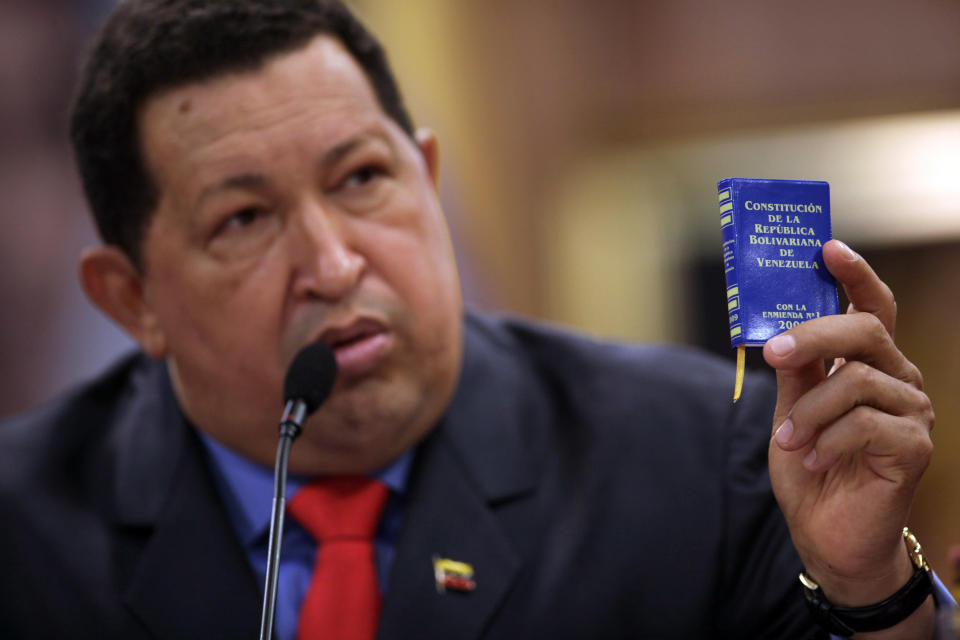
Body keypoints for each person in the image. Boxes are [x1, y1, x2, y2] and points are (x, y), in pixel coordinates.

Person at [0, 1, 949, 638]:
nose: (334, 266)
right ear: (132, 300)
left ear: (430, 177)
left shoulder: (712, 458)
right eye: (243, 219)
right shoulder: (24, 537)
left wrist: (872, 591)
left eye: (363, 179)